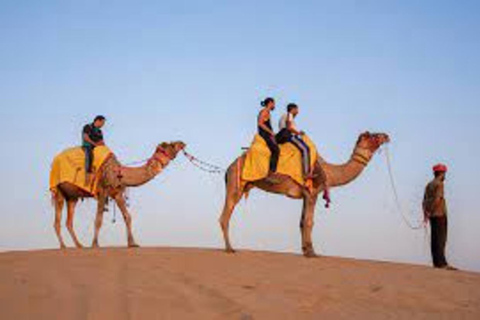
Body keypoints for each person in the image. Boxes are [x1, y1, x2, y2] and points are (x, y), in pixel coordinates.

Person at [422, 164, 456, 270]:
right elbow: (437, 199)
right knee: (441, 238)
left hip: (432, 215)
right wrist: (431, 211)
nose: (445, 175)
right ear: (441, 173)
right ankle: (442, 264)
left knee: (434, 238)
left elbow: (423, 201)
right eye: (444, 173)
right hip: (439, 213)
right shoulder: (439, 184)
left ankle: (437, 263)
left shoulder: (428, 185)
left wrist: (426, 214)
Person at [276, 103, 311, 179]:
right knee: (305, 149)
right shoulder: (289, 115)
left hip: (283, 136)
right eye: (297, 109)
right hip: (288, 136)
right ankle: (306, 173)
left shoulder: (284, 116)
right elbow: (289, 128)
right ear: (293, 109)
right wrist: (298, 133)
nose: (298, 112)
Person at [257, 97, 280, 175]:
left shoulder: (268, 112)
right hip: (264, 134)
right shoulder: (264, 111)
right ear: (270, 103)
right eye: (274, 103)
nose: (274, 105)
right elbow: (260, 123)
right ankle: (271, 171)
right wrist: (271, 132)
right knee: (276, 150)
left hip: (267, 133)